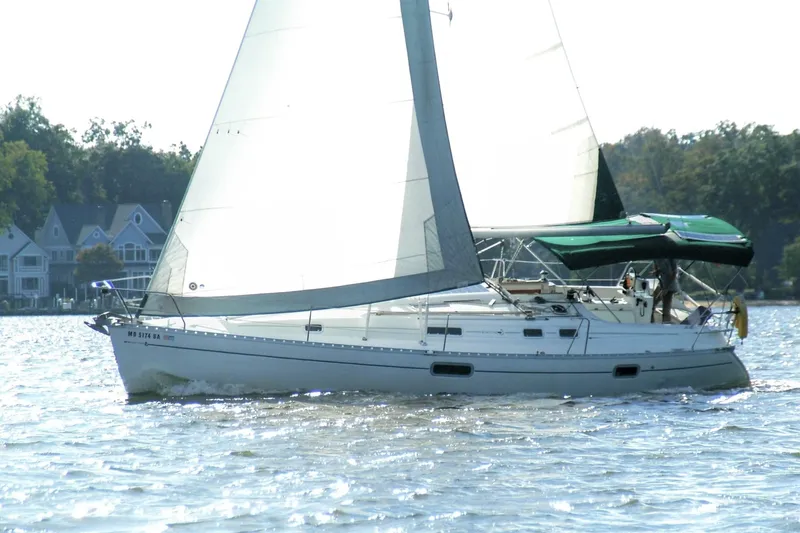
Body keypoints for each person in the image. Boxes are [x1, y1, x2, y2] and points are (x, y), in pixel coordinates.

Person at [651, 258, 679, 323]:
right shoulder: (656, 258)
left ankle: (666, 326)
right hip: (661, 283)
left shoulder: (670, 258)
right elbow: (658, 268)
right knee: (650, 305)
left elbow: (673, 273)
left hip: (670, 285)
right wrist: (656, 271)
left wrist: (666, 288)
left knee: (666, 310)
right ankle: (651, 324)